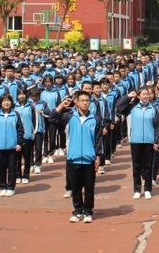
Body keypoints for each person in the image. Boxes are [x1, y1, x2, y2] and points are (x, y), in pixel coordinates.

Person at [50, 90, 102, 223]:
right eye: (82, 101)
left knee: (89, 188)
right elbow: (52, 118)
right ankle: (77, 210)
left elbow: (98, 140)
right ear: (77, 102)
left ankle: (88, 211)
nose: (85, 103)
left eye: (87, 101)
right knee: (76, 187)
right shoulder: (68, 117)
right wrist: (61, 106)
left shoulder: (95, 119)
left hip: (89, 159)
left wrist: (98, 156)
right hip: (73, 158)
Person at [117, 87, 159, 199]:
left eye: (147, 94)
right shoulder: (132, 107)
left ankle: (147, 189)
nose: (146, 96)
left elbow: (158, 126)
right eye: (143, 94)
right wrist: (128, 96)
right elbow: (119, 106)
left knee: (148, 166)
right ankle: (137, 189)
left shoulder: (154, 108)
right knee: (136, 166)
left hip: (149, 141)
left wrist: (156, 141)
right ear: (138, 96)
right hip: (135, 140)